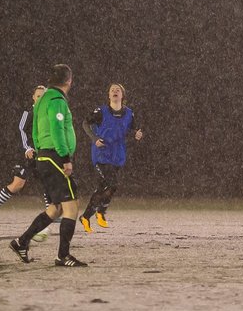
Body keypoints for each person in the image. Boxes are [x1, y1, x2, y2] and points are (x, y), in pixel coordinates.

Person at [9, 64, 87, 267]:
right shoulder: (57, 100)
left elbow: (34, 130)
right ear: (69, 81)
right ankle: (63, 256)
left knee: (55, 208)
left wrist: (40, 151)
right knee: (72, 207)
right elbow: (57, 129)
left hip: (43, 156)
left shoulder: (42, 100)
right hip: (55, 158)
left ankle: (22, 242)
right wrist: (65, 157)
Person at [78, 83, 144, 233]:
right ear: (108, 95)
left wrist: (137, 134)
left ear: (122, 95)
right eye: (112, 90)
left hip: (117, 155)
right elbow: (85, 123)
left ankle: (86, 216)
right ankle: (101, 212)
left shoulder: (129, 113)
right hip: (101, 154)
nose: (115, 91)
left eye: (118, 90)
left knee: (103, 187)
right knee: (112, 183)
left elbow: (134, 129)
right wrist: (94, 138)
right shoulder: (100, 111)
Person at [0, 85, 46, 221]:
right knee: (17, 184)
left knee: (47, 178)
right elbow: (21, 130)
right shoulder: (29, 112)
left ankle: (51, 212)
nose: (41, 99)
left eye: (44, 96)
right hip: (25, 154)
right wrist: (28, 148)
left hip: (40, 153)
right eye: (38, 96)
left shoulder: (47, 114)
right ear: (33, 98)